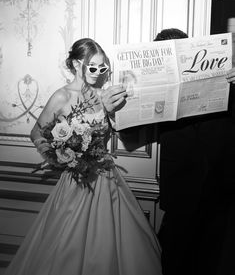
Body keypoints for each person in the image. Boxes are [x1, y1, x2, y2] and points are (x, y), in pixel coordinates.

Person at [4, 38, 162, 275]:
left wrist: (114, 111)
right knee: (67, 245)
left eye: (102, 68)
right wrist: (59, 158)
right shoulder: (61, 97)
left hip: (107, 178)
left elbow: (119, 129)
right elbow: (37, 132)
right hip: (77, 182)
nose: (98, 73)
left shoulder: (103, 95)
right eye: (93, 67)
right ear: (77, 64)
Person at [153, 29, 235, 275]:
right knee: (174, 255)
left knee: (212, 256)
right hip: (180, 183)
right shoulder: (156, 83)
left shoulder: (222, 77)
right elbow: (130, 128)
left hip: (220, 183)